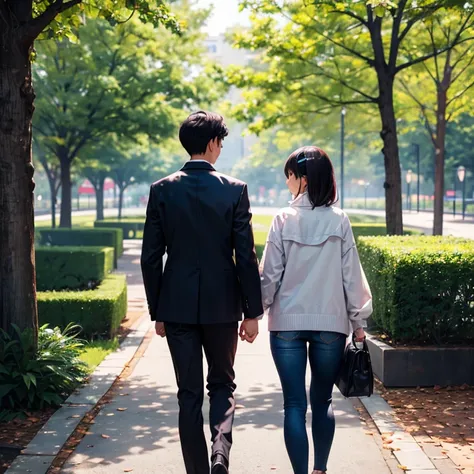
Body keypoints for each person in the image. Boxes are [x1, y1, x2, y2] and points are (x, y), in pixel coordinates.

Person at [141, 111, 263, 474]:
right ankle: (220, 455)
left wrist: (157, 310)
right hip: (222, 306)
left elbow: (151, 257)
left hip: (176, 308)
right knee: (223, 385)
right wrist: (252, 312)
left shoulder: (161, 190)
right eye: (221, 142)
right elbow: (245, 255)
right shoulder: (235, 190)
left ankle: (196, 470)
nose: (221, 148)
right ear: (212, 143)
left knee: (188, 393)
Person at [259, 146, 372, 474]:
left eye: (290, 177)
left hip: (286, 326)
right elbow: (351, 275)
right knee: (322, 401)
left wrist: (253, 312)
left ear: (303, 180)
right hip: (330, 326)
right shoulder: (340, 220)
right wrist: (358, 321)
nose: (287, 184)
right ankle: (320, 469)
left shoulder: (283, 219)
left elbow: (269, 276)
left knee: (294, 405)